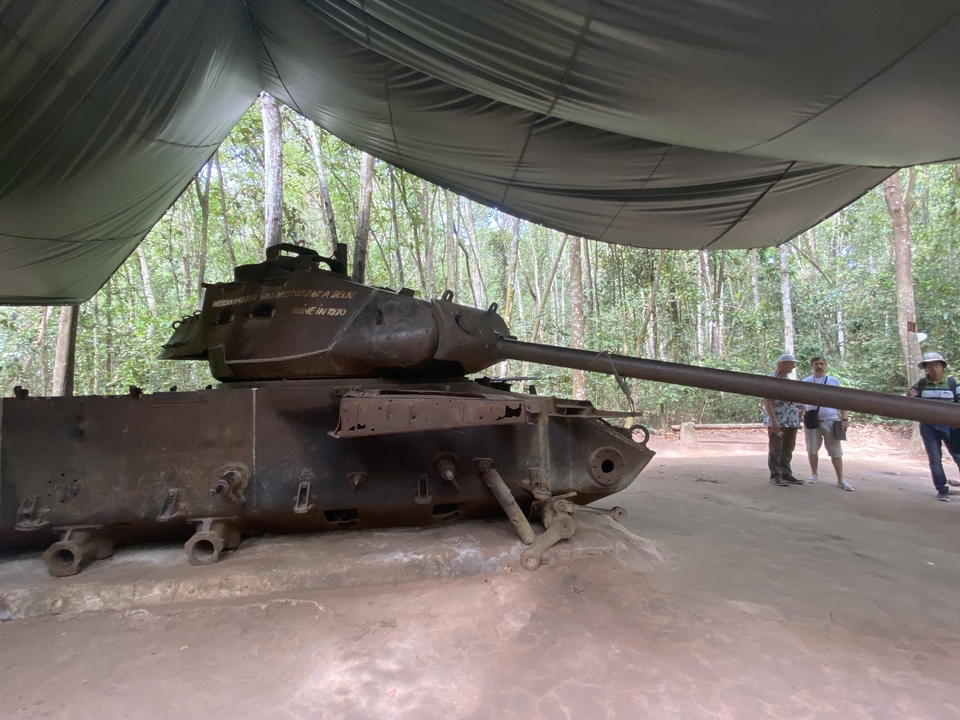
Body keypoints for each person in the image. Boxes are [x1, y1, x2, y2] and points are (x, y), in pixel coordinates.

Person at [906, 352, 960, 501]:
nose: (934, 368)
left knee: (958, 456)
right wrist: (911, 396)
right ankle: (941, 490)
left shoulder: (953, 384)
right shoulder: (921, 385)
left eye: (937, 365)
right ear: (926, 368)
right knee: (935, 459)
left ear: (942, 366)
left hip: (952, 427)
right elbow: (911, 402)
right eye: (930, 366)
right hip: (928, 427)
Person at [801, 355, 852, 490]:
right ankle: (814, 474)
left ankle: (841, 479)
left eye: (821, 364)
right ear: (812, 366)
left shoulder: (833, 381)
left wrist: (845, 419)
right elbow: (801, 401)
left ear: (826, 366)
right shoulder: (806, 381)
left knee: (836, 452)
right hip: (812, 421)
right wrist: (799, 417)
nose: (819, 366)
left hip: (831, 420)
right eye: (816, 364)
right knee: (812, 449)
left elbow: (842, 400)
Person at [762, 354, 803, 487]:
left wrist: (799, 410)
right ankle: (775, 475)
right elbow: (767, 400)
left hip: (791, 420)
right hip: (778, 420)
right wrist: (773, 421)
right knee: (776, 448)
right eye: (791, 363)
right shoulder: (772, 380)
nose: (793, 366)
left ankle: (786, 473)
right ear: (782, 364)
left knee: (788, 448)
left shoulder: (789, 381)